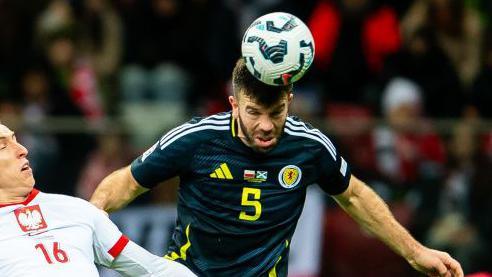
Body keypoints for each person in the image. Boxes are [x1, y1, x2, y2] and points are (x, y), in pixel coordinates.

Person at [90, 58, 463, 277]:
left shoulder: (309, 146)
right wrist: (88, 223)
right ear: (234, 104)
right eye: (254, 112)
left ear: (290, 100)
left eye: (276, 112)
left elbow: (355, 196)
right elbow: (125, 183)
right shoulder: (197, 139)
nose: (266, 126)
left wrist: (416, 252)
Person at [0, 122, 196, 276]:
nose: (22, 149)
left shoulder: (76, 210)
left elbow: (152, 270)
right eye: (3, 146)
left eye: (16, 139)